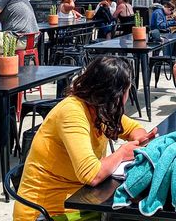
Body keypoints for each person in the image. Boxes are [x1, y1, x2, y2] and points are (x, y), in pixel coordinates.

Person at [14, 56, 156, 221]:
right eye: (127, 91)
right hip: (46, 213)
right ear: (115, 94)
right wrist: (123, 153)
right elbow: (91, 174)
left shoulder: (99, 108)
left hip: (78, 202)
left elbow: (133, 129)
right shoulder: (73, 112)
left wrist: (140, 138)